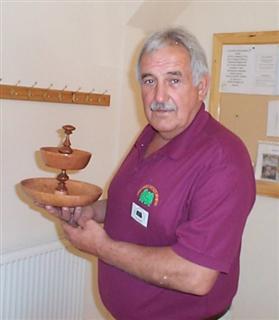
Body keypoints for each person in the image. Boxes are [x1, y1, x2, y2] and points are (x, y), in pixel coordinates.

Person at [43, 27, 256, 320]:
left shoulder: (223, 160)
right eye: (149, 81)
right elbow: (138, 204)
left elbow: (196, 275)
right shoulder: (152, 134)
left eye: (174, 80)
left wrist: (101, 247)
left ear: (201, 86)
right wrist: (90, 211)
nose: (159, 96)